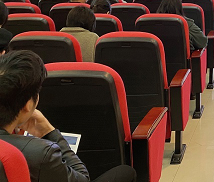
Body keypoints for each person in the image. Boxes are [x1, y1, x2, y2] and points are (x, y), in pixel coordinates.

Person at [0, 50, 137, 182]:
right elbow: (82, 178)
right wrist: (49, 132)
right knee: (125, 172)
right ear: (28, 104)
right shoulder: (41, 153)